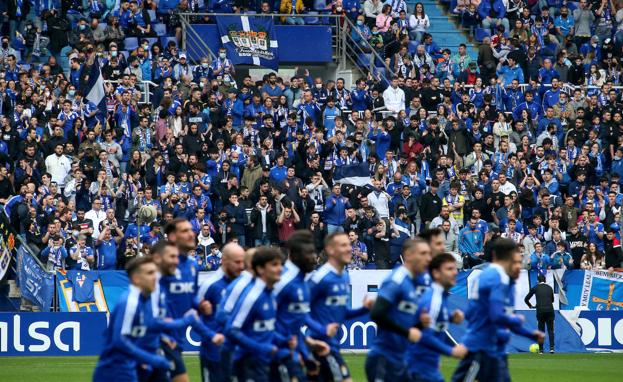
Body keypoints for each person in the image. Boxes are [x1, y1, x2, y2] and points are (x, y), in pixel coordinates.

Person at [451, 238, 544, 382]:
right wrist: (515, 319)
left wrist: (529, 333)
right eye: (515, 261)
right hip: (482, 348)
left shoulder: (496, 278)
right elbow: (497, 315)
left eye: (520, 262)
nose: (519, 266)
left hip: (495, 349)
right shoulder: (497, 278)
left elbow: (474, 313)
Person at [93, 257, 177, 382]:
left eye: (155, 272)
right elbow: (120, 340)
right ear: (136, 278)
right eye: (150, 273)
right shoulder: (130, 302)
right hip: (114, 370)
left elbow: (145, 328)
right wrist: (151, 358)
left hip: (130, 367)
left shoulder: (146, 300)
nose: (155, 277)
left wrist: (162, 337)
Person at [366, 238, 437, 381]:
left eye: (429, 254)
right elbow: (377, 313)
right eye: (423, 254)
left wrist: (419, 324)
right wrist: (407, 332)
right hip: (384, 358)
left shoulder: (413, 282)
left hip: (401, 358)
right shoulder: (397, 279)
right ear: (409, 255)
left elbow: (405, 323)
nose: (428, 259)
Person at [307, 232, 373, 382]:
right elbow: (300, 311)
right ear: (330, 250)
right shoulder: (320, 278)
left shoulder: (344, 276)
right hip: (320, 345)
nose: (349, 248)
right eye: (343, 245)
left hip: (333, 344)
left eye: (349, 245)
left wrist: (364, 309)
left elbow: (341, 313)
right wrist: (322, 330)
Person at [272, 230, 332, 380]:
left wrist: (305, 352)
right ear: (293, 254)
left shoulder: (303, 281)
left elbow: (294, 324)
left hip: (291, 352)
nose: (314, 258)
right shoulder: (281, 281)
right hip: (273, 356)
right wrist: (285, 349)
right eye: (309, 253)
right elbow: (262, 321)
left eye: (314, 253)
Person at [226, 246, 291, 382]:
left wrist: (285, 341)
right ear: (260, 269)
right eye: (274, 265)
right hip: (248, 363)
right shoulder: (252, 296)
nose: (280, 269)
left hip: (266, 361)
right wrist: (261, 348)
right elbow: (232, 330)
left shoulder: (271, 294)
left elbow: (267, 329)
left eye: (280, 264)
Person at [407, 253, 469, 381]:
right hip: (421, 368)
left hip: (425, 366)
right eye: (449, 269)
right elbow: (424, 336)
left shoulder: (439, 296)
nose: (455, 273)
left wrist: (451, 317)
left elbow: (431, 323)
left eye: (455, 269)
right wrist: (451, 351)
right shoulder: (433, 299)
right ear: (436, 273)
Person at [196, 242, 245, 382]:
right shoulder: (210, 285)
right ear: (224, 261)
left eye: (243, 262)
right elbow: (193, 317)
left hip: (238, 353)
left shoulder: (243, 284)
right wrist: (211, 336)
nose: (241, 266)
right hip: (213, 354)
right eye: (237, 262)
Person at [524, 274, 555, 354]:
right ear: (545, 280)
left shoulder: (535, 287)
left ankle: (541, 350)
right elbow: (552, 300)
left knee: (541, 330)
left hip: (540, 311)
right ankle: (552, 348)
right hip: (550, 310)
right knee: (550, 329)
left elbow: (526, 299)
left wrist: (530, 306)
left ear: (538, 281)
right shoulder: (549, 288)